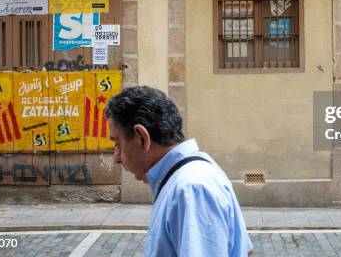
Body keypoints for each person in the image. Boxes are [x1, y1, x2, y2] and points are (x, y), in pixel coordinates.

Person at [105, 86, 253, 256]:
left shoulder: (190, 188)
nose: (116, 157)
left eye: (118, 144)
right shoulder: (187, 177)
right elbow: (246, 250)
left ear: (141, 137)